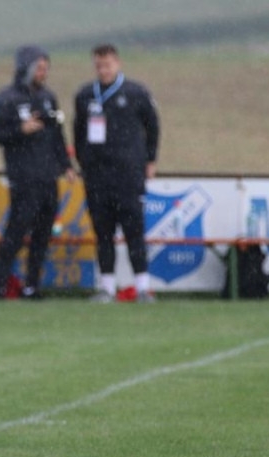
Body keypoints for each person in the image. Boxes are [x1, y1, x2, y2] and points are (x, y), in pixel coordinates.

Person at [0, 45, 75, 300]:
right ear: (26, 68)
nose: (44, 73)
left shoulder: (48, 97)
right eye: (39, 68)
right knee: (16, 231)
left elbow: (58, 135)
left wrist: (66, 165)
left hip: (48, 177)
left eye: (46, 68)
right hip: (23, 177)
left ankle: (32, 286)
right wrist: (19, 130)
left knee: (43, 234)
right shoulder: (6, 98)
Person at [74, 43, 160, 303]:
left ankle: (142, 287)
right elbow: (78, 133)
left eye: (108, 65)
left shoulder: (136, 92)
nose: (103, 70)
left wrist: (150, 159)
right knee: (103, 233)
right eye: (99, 65)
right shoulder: (85, 95)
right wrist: (84, 163)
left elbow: (153, 126)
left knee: (134, 232)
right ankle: (107, 288)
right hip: (97, 176)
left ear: (118, 63)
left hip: (128, 174)